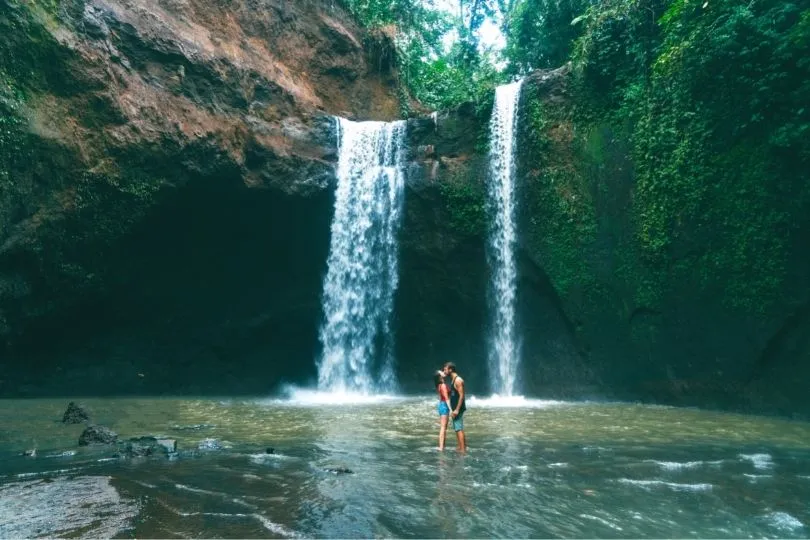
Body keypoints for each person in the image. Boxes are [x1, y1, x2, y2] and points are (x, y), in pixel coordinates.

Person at [442, 362, 466, 452]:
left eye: (445, 369)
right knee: (458, 428)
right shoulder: (453, 379)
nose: (444, 371)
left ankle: (462, 450)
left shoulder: (457, 380)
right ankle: (461, 447)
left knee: (458, 428)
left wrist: (456, 410)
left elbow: (461, 396)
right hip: (455, 408)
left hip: (457, 408)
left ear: (450, 369)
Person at [434, 371, 452, 451]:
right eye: (441, 372)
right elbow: (446, 398)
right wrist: (451, 409)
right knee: (443, 427)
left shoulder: (439, 385)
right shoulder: (443, 385)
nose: (443, 372)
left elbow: (441, 397)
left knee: (443, 427)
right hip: (444, 405)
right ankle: (441, 447)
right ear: (440, 377)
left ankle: (442, 446)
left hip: (441, 405)